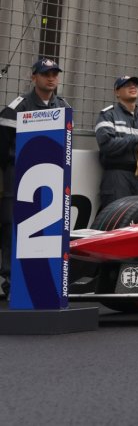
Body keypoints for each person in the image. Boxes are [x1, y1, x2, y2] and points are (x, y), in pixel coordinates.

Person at [0, 57, 71, 300]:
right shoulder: (17, 107)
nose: (51, 78)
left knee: (47, 227)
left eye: (54, 73)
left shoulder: (62, 105)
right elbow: (3, 146)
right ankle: (10, 280)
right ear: (34, 77)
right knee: (13, 226)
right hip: (17, 174)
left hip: (50, 176)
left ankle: (44, 279)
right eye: (45, 74)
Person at [95, 74, 138, 208]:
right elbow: (107, 146)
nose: (132, 87)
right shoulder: (108, 115)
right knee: (116, 222)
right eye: (126, 85)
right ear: (117, 92)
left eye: (135, 85)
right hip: (117, 176)